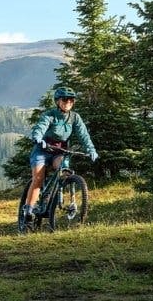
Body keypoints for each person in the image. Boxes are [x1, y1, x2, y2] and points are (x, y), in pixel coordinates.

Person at [21, 87, 98, 220]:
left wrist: (91, 150)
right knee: (38, 178)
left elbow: (84, 135)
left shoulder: (75, 117)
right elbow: (40, 127)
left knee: (65, 172)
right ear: (58, 101)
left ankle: (67, 202)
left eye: (71, 99)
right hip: (42, 150)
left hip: (60, 151)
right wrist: (38, 138)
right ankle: (28, 209)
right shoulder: (50, 115)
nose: (68, 102)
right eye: (65, 99)